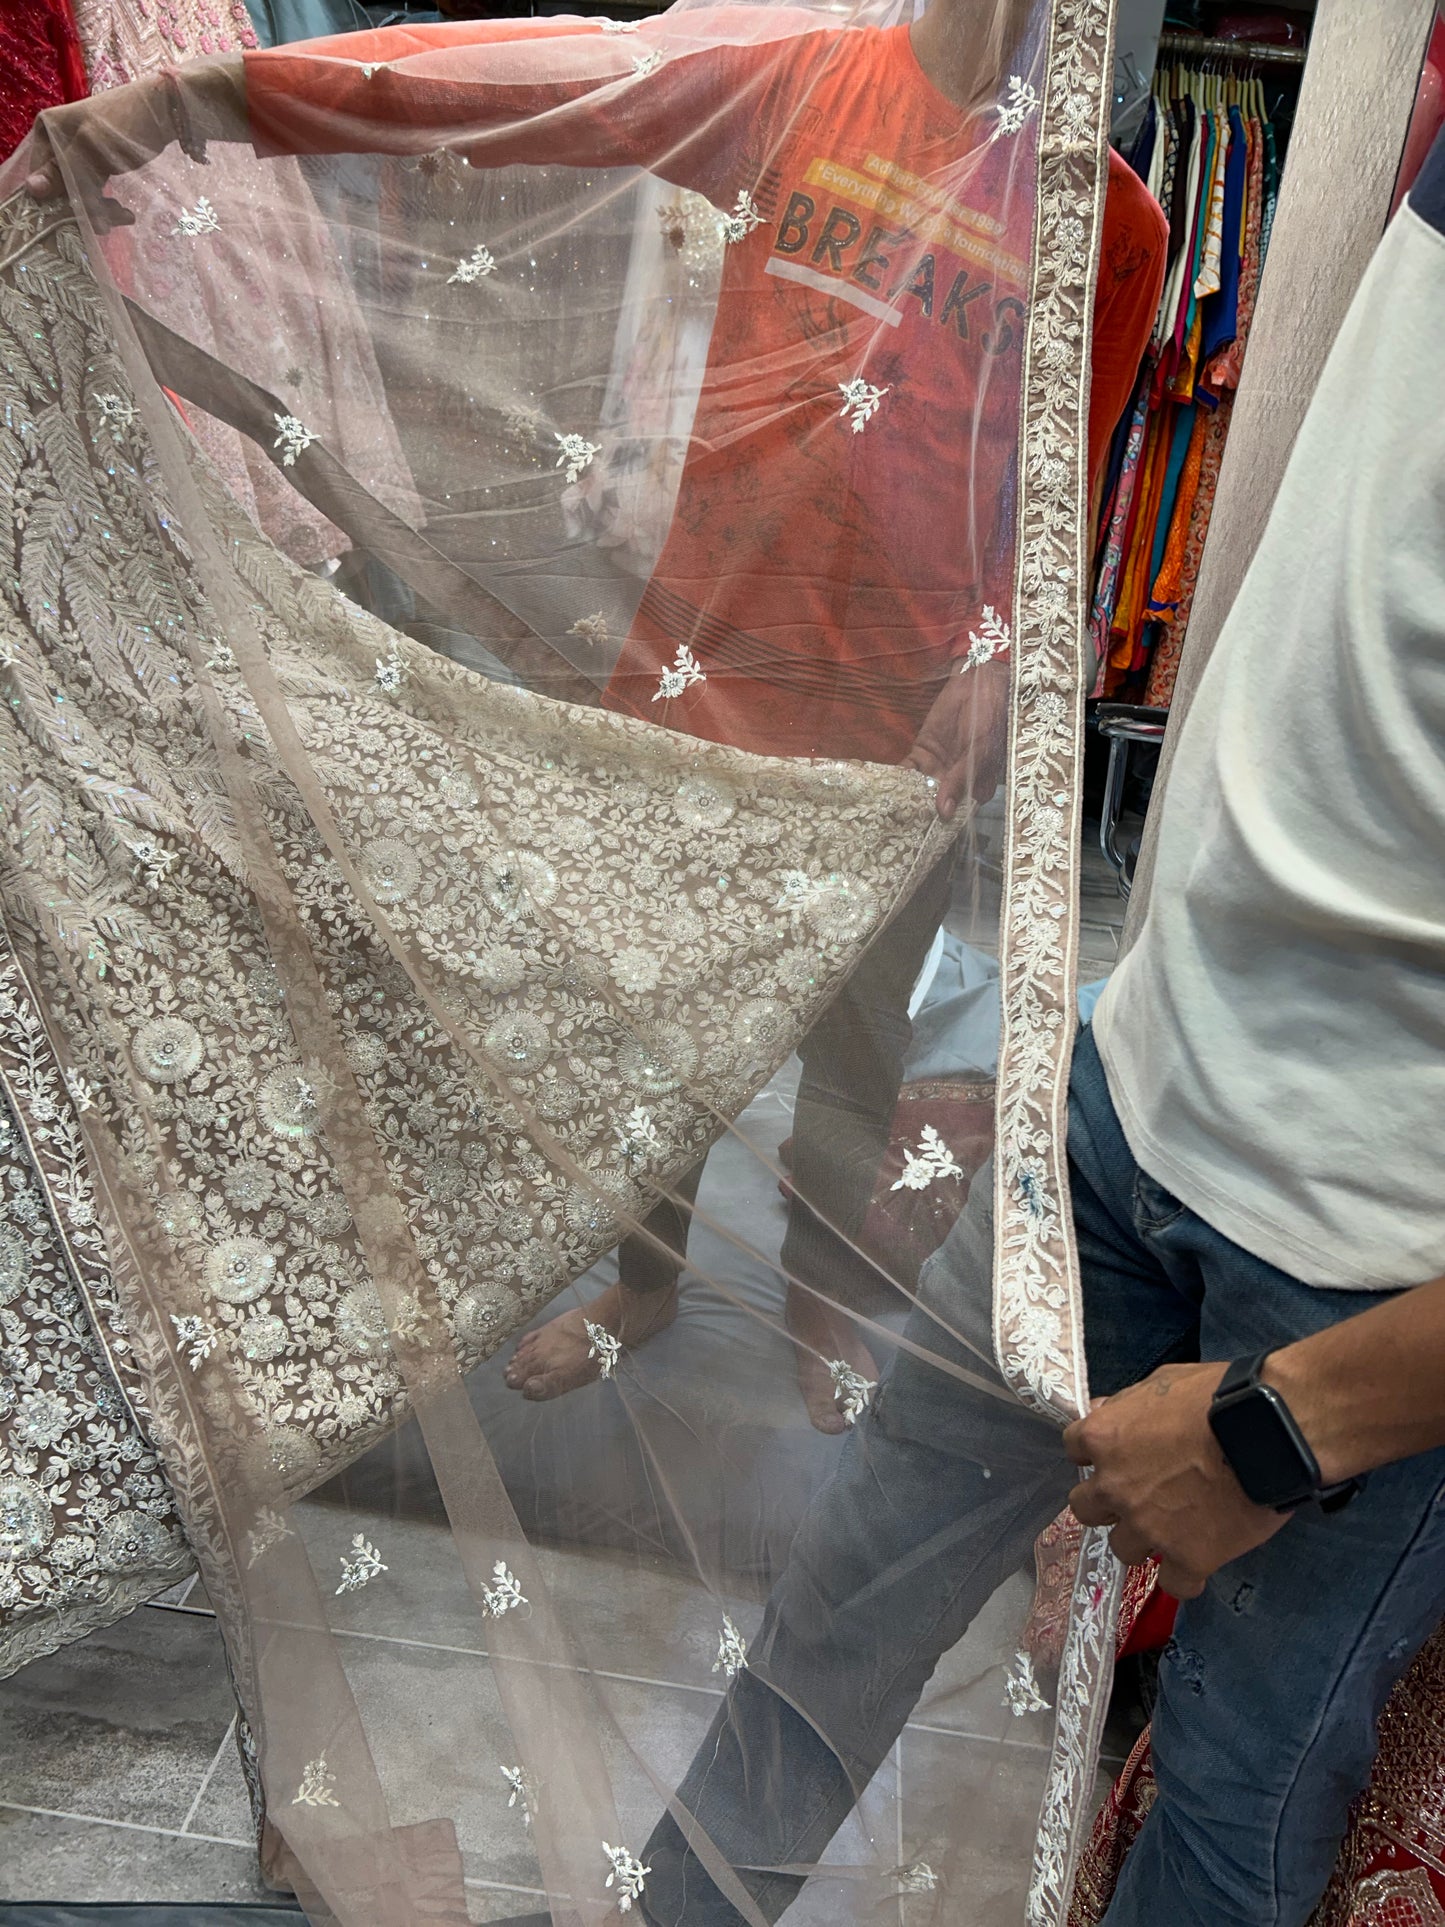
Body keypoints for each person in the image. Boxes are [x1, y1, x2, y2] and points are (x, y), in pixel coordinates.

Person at [630, 117, 1445, 1927]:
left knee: (1230, 1809)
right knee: (826, 1633)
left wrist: (1283, 1427)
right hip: (1136, 1091)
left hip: (1369, 1274)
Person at [180, 0, 1161, 1427]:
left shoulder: (1105, 216)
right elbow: (564, 83)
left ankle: (818, 1292)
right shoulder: (805, 86)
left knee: (853, 1034)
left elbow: (1063, 484)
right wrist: (230, 92)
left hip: (893, 722)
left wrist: (1002, 663)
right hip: (704, 659)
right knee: (655, 1018)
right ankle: (645, 1288)